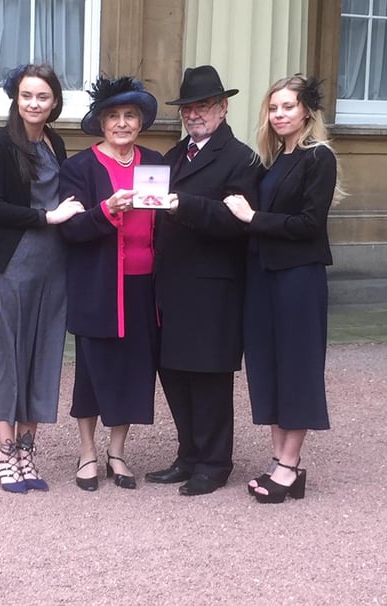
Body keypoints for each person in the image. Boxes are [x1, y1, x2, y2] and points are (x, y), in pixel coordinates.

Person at [145, 65, 263, 496]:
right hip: (172, 282)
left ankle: (215, 462)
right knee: (174, 372)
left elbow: (239, 223)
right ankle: (189, 454)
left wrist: (184, 206)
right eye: (189, 108)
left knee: (209, 376)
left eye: (204, 106)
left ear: (223, 107)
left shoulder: (242, 158)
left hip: (214, 285)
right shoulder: (172, 157)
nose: (195, 114)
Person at [224, 74, 339, 503]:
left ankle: (290, 465)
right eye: (273, 108)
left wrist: (252, 217)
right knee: (268, 366)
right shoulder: (273, 161)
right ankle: (279, 460)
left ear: (306, 110)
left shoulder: (318, 158)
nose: (279, 115)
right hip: (265, 275)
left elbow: (310, 225)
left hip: (299, 278)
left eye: (287, 107)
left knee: (296, 368)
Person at [0, 64, 85, 494]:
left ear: (55, 101)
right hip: (15, 262)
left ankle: (27, 448)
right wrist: (47, 216)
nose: (34, 104)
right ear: (16, 99)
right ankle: (6, 451)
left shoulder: (56, 142)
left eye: (42, 97)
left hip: (54, 263)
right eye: (26, 96)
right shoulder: (0, 143)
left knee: (44, 354)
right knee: (12, 353)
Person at [59, 76, 163, 491]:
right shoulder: (79, 167)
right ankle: (87, 453)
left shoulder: (154, 161)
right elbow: (70, 230)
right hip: (99, 287)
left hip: (144, 285)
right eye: (114, 116)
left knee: (134, 372)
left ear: (140, 123)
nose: (122, 124)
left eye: (130, 116)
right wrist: (104, 210)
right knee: (93, 373)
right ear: (102, 124)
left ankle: (117, 452)